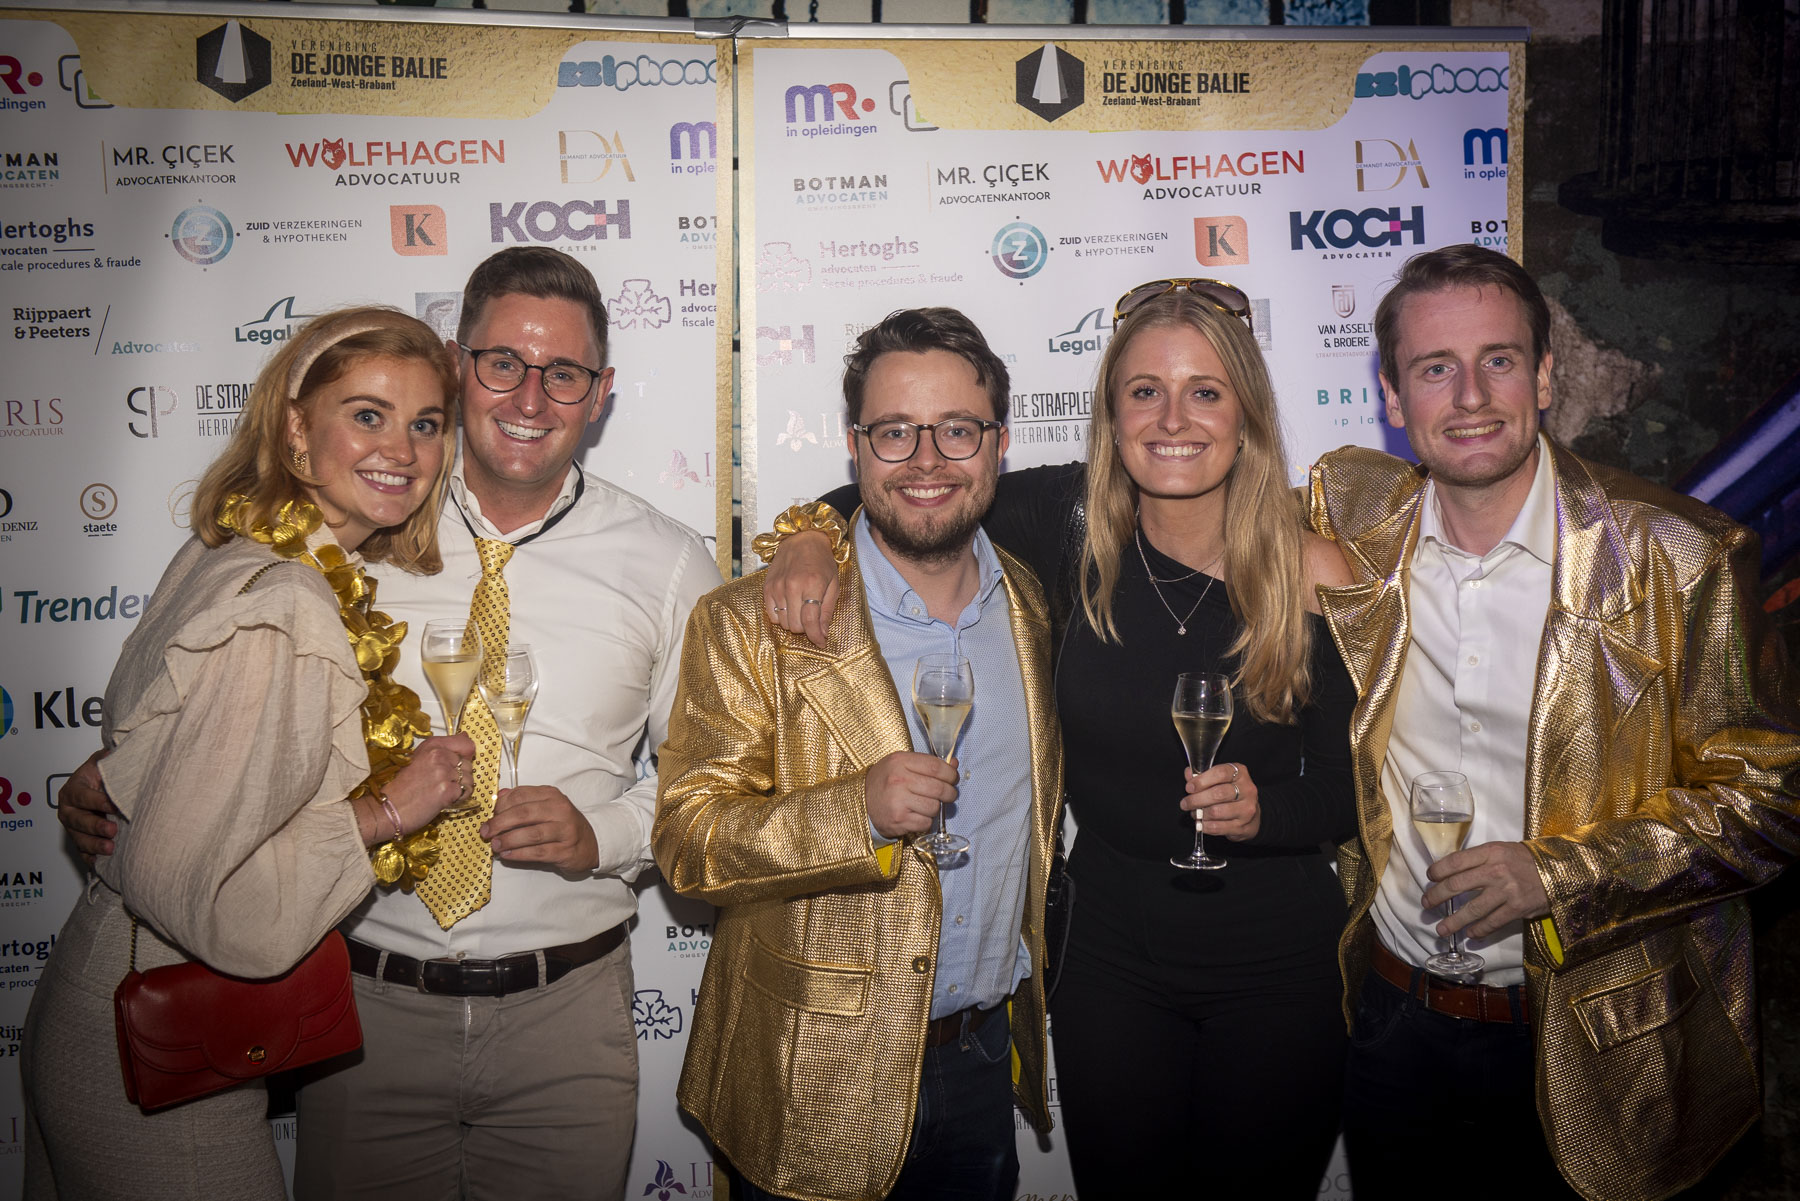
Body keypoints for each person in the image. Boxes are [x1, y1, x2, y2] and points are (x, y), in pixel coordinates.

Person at [58, 247, 723, 1201]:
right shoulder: (365, 519)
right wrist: (127, 774)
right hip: (365, 1003)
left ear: (601, 392)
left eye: (564, 373)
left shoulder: (669, 562)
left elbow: (706, 782)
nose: (530, 396)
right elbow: (222, 686)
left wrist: (605, 834)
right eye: (503, 362)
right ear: (458, 364)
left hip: (567, 1016)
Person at [760, 283, 1358, 1198]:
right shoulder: (1068, 525)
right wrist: (808, 536)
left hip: (1278, 963)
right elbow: (907, 490)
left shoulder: (1311, 568)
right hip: (1109, 964)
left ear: (1246, 415)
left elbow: (1355, 792)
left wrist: (1265, 812)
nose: (1173, 418)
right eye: (1145, 391)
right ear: (1112, 416)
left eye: (1204, 391)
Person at [1308, 243, 1800, 1200]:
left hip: (1597, 1038)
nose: (1470, 396)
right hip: (1393, 1020)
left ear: (1542, 377)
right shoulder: (1358, 516)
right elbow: (1211, 501)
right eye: (1434, 368)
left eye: (1497, 360)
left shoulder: (1679, 558)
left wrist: (1559, 873)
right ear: (1393, 397)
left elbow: (1772, 798)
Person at [24, 307, 474, 1201]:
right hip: (152, 1046)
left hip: (117, 1005)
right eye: (368, 414)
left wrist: (117, 775)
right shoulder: (286, 603)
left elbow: (171, 763)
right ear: (296, 430)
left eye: (425, 423)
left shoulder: (234, 550)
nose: (403, 449)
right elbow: (204, 890)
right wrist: (391, 810)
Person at [653, 308, 1062, 1201]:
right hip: (811, 1072)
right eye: (895, 431)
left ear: (999, 444)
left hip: (984, 1058)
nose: (926, 459)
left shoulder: (1030, 605)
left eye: (957, 430)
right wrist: (856, 814)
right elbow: (687, 841)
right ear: (855, 447)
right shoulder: (751, 621)